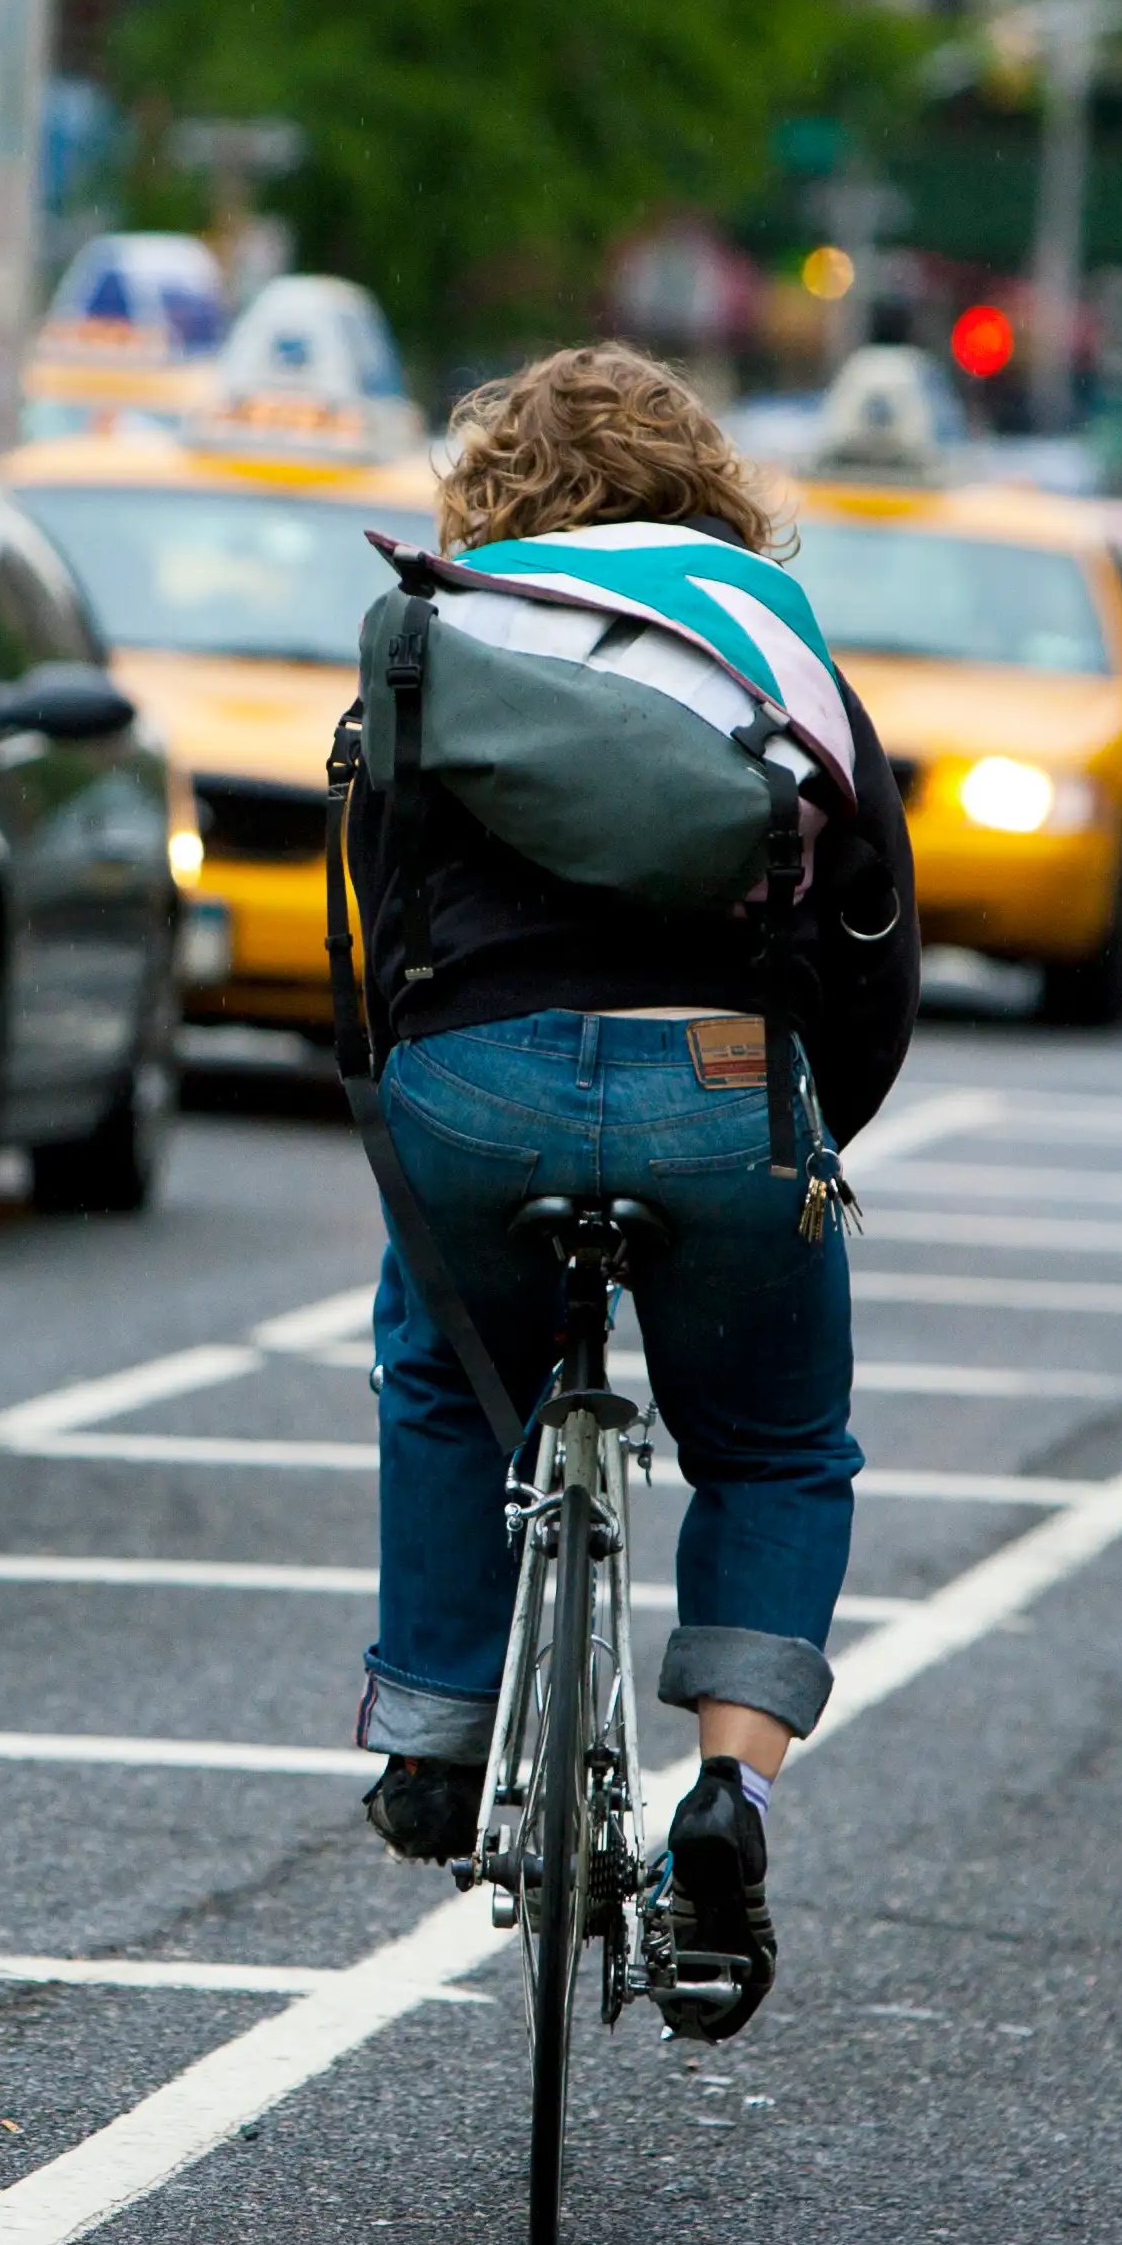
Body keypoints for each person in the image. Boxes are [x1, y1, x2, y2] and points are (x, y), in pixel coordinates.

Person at [342, 344, 918, 2041]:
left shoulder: (452, 613)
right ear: (706, 480)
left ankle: (436, 1732)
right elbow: (873, 932)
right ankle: (728, 1791)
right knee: (777, 1444)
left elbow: (374, 916)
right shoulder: (767, 627)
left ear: (497, 480)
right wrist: (812, 1139)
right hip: (722, 1083)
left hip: (476, 1079)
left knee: (443, 1367)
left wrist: (422, 1101)